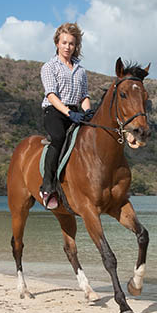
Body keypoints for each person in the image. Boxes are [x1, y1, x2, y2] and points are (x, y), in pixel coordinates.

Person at [39, 22, 93, 209]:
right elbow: (51, 95)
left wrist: (87, 112)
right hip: (55, 111)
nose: (67, 47)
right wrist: (69, 112)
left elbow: (84, 96)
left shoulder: (81, 70)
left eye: (71, 43)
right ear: (57, 43)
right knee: (59, 137)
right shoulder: (49, 67)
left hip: (75, 111)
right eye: (64, 43)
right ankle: (47, 186)